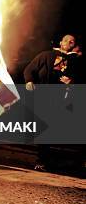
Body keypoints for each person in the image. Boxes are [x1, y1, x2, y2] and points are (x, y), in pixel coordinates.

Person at [23, 34, 79, 171]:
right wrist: (29, 81)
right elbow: (29, 69)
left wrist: (71, 82)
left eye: (72, 41)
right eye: (66, 40)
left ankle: (73, 162)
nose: (69, 42)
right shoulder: (46, 56)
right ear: (61, 42)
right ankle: (42, 161)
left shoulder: (77, 61)